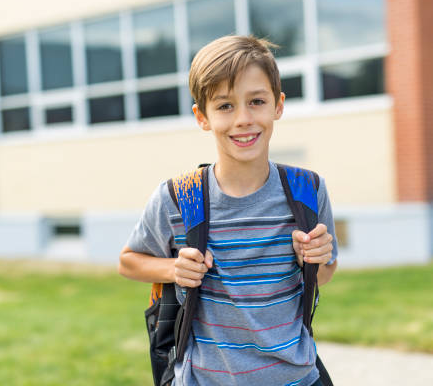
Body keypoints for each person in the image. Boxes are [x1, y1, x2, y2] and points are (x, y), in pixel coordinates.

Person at [118, 35, 338, 386]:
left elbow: (324, 274)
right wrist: (175, 268)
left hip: (298, 378)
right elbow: (128, 261)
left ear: (278, 105)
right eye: (224, 106)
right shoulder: (178, 197)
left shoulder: (307, 191)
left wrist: (314, 260)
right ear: (202, 116)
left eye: (256, 101)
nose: (243, 119)